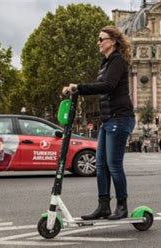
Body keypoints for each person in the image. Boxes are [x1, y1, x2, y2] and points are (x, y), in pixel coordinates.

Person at [62, 25, 135, 220]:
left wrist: (80, 87)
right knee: (100, 165)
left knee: (114, 164)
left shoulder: (118, 60)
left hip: (120, 118)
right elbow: (102, 87)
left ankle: (122, 205)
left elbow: (108, 86)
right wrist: (77, 90)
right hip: (107, 119)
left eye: (101, 39)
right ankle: (103, 206)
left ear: (112, 41)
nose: (98, 42)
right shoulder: (105, 63)